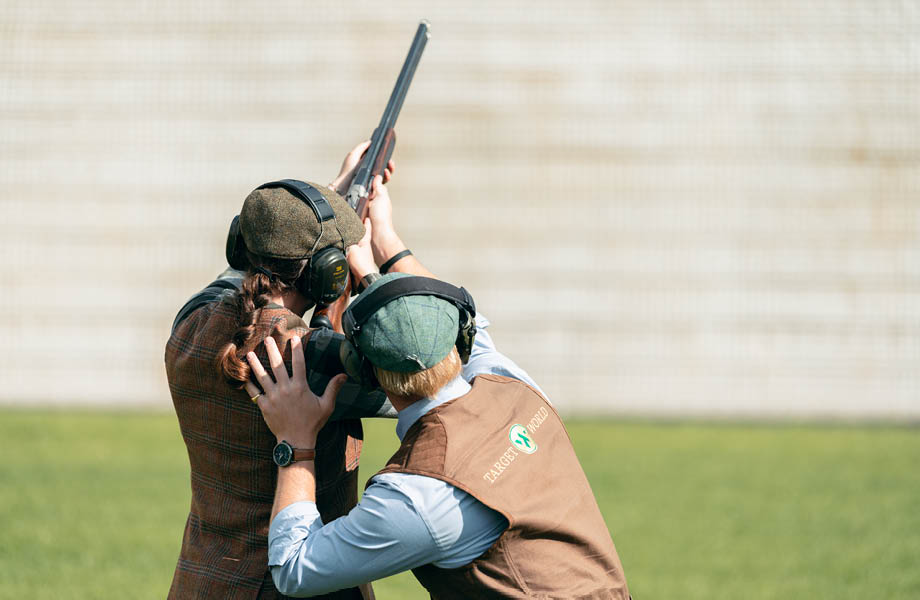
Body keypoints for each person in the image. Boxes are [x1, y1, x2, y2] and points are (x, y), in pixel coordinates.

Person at [243, 186, 632, 598]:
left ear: (364, 372)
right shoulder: (513, 385)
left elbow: (293, 569)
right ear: (456, 340)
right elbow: (471, 322)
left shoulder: (417, 495)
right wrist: (384, 244)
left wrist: (296, 442)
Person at [165, 142, 395, 600]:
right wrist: (371, 270)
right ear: (327, 273)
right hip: (303, 582)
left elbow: (244, 272)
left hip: (206, 580)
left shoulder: (188, 327)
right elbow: (422, 370)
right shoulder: (319, 360)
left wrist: (331, 195)